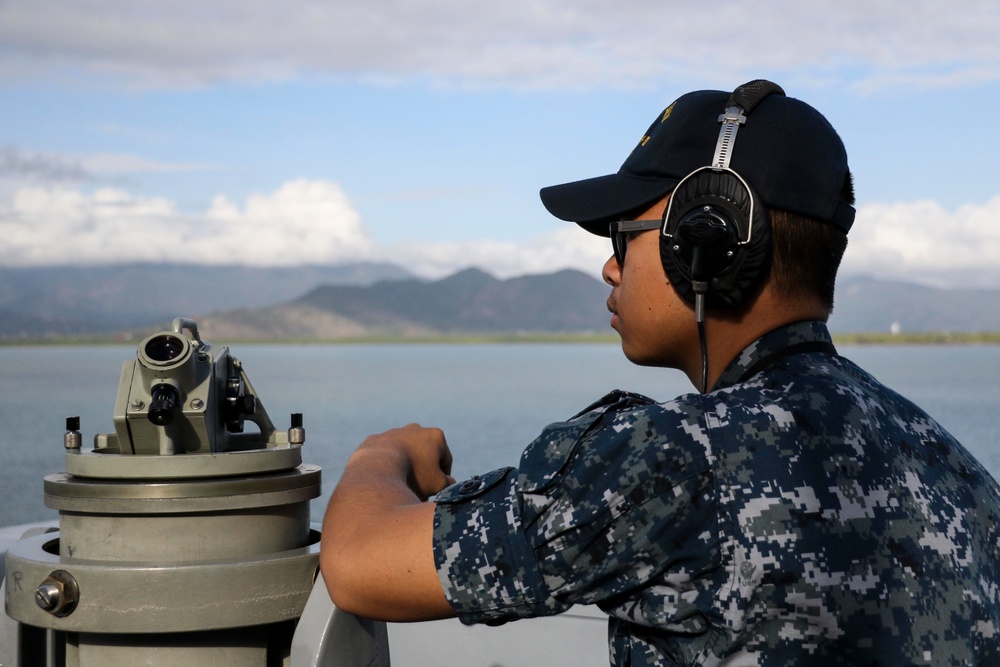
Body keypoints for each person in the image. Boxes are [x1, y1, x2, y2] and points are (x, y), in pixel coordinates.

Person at [320, 80, 1000, 665]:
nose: (609, 267)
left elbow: (358, 565)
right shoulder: (957, 469)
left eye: (622, 237)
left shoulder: (674, 459)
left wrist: (383, 455)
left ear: (709, 240)